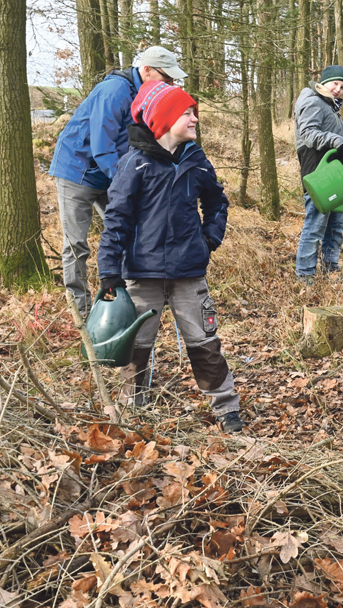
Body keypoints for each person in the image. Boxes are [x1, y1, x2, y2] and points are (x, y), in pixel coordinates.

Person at [97, 81, 245, 432]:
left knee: (205, 343)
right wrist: (109, 272)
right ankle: (132, 410)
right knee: (136, 346)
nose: (194, 118)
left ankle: (227, 409)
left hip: (189, 273)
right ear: (164, 121)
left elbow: (216, 202)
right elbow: (116, 220)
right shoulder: (134, 165)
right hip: (142, 275)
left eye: (194, 111)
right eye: (186, 112)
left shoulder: (196, 161)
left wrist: (209, 238)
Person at [49, 46, 187, 315]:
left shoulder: (148, 95)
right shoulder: (115, 91)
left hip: (109, 170)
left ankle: (126, 300)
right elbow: (102, 147)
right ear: (146, 70)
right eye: (166, 77)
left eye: (173, 79)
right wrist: (125, 182)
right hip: (78, 171)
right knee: (76, 244)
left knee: (127, 231)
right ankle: (83, 313)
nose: (170, 84)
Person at [294, 65, 343, 283]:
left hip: (332, 173)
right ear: (323, 82)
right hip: (318, 170)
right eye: (335, 83)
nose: (338, 89)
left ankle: (331, 269)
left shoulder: (330, 107)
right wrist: (338, 142)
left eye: (342, 87)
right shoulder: (312, 101)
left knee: (335, 225)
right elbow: (308, 135)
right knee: (316, 223)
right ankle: (305, 275)